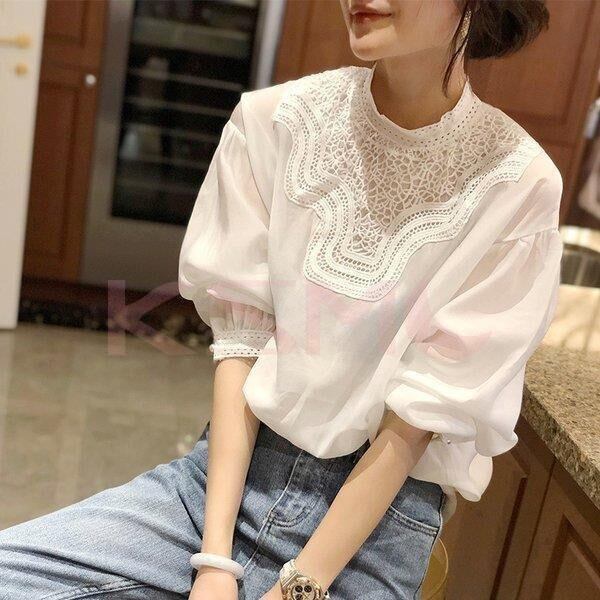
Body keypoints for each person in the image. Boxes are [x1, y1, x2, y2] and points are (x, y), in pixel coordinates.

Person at [0, 1, 562, 599]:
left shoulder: (518, 184)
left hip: (373, 535)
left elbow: (419, 420)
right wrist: (214, 562)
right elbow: (240, 343)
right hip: (219, 488)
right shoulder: (274, 121)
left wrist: (301, 587)